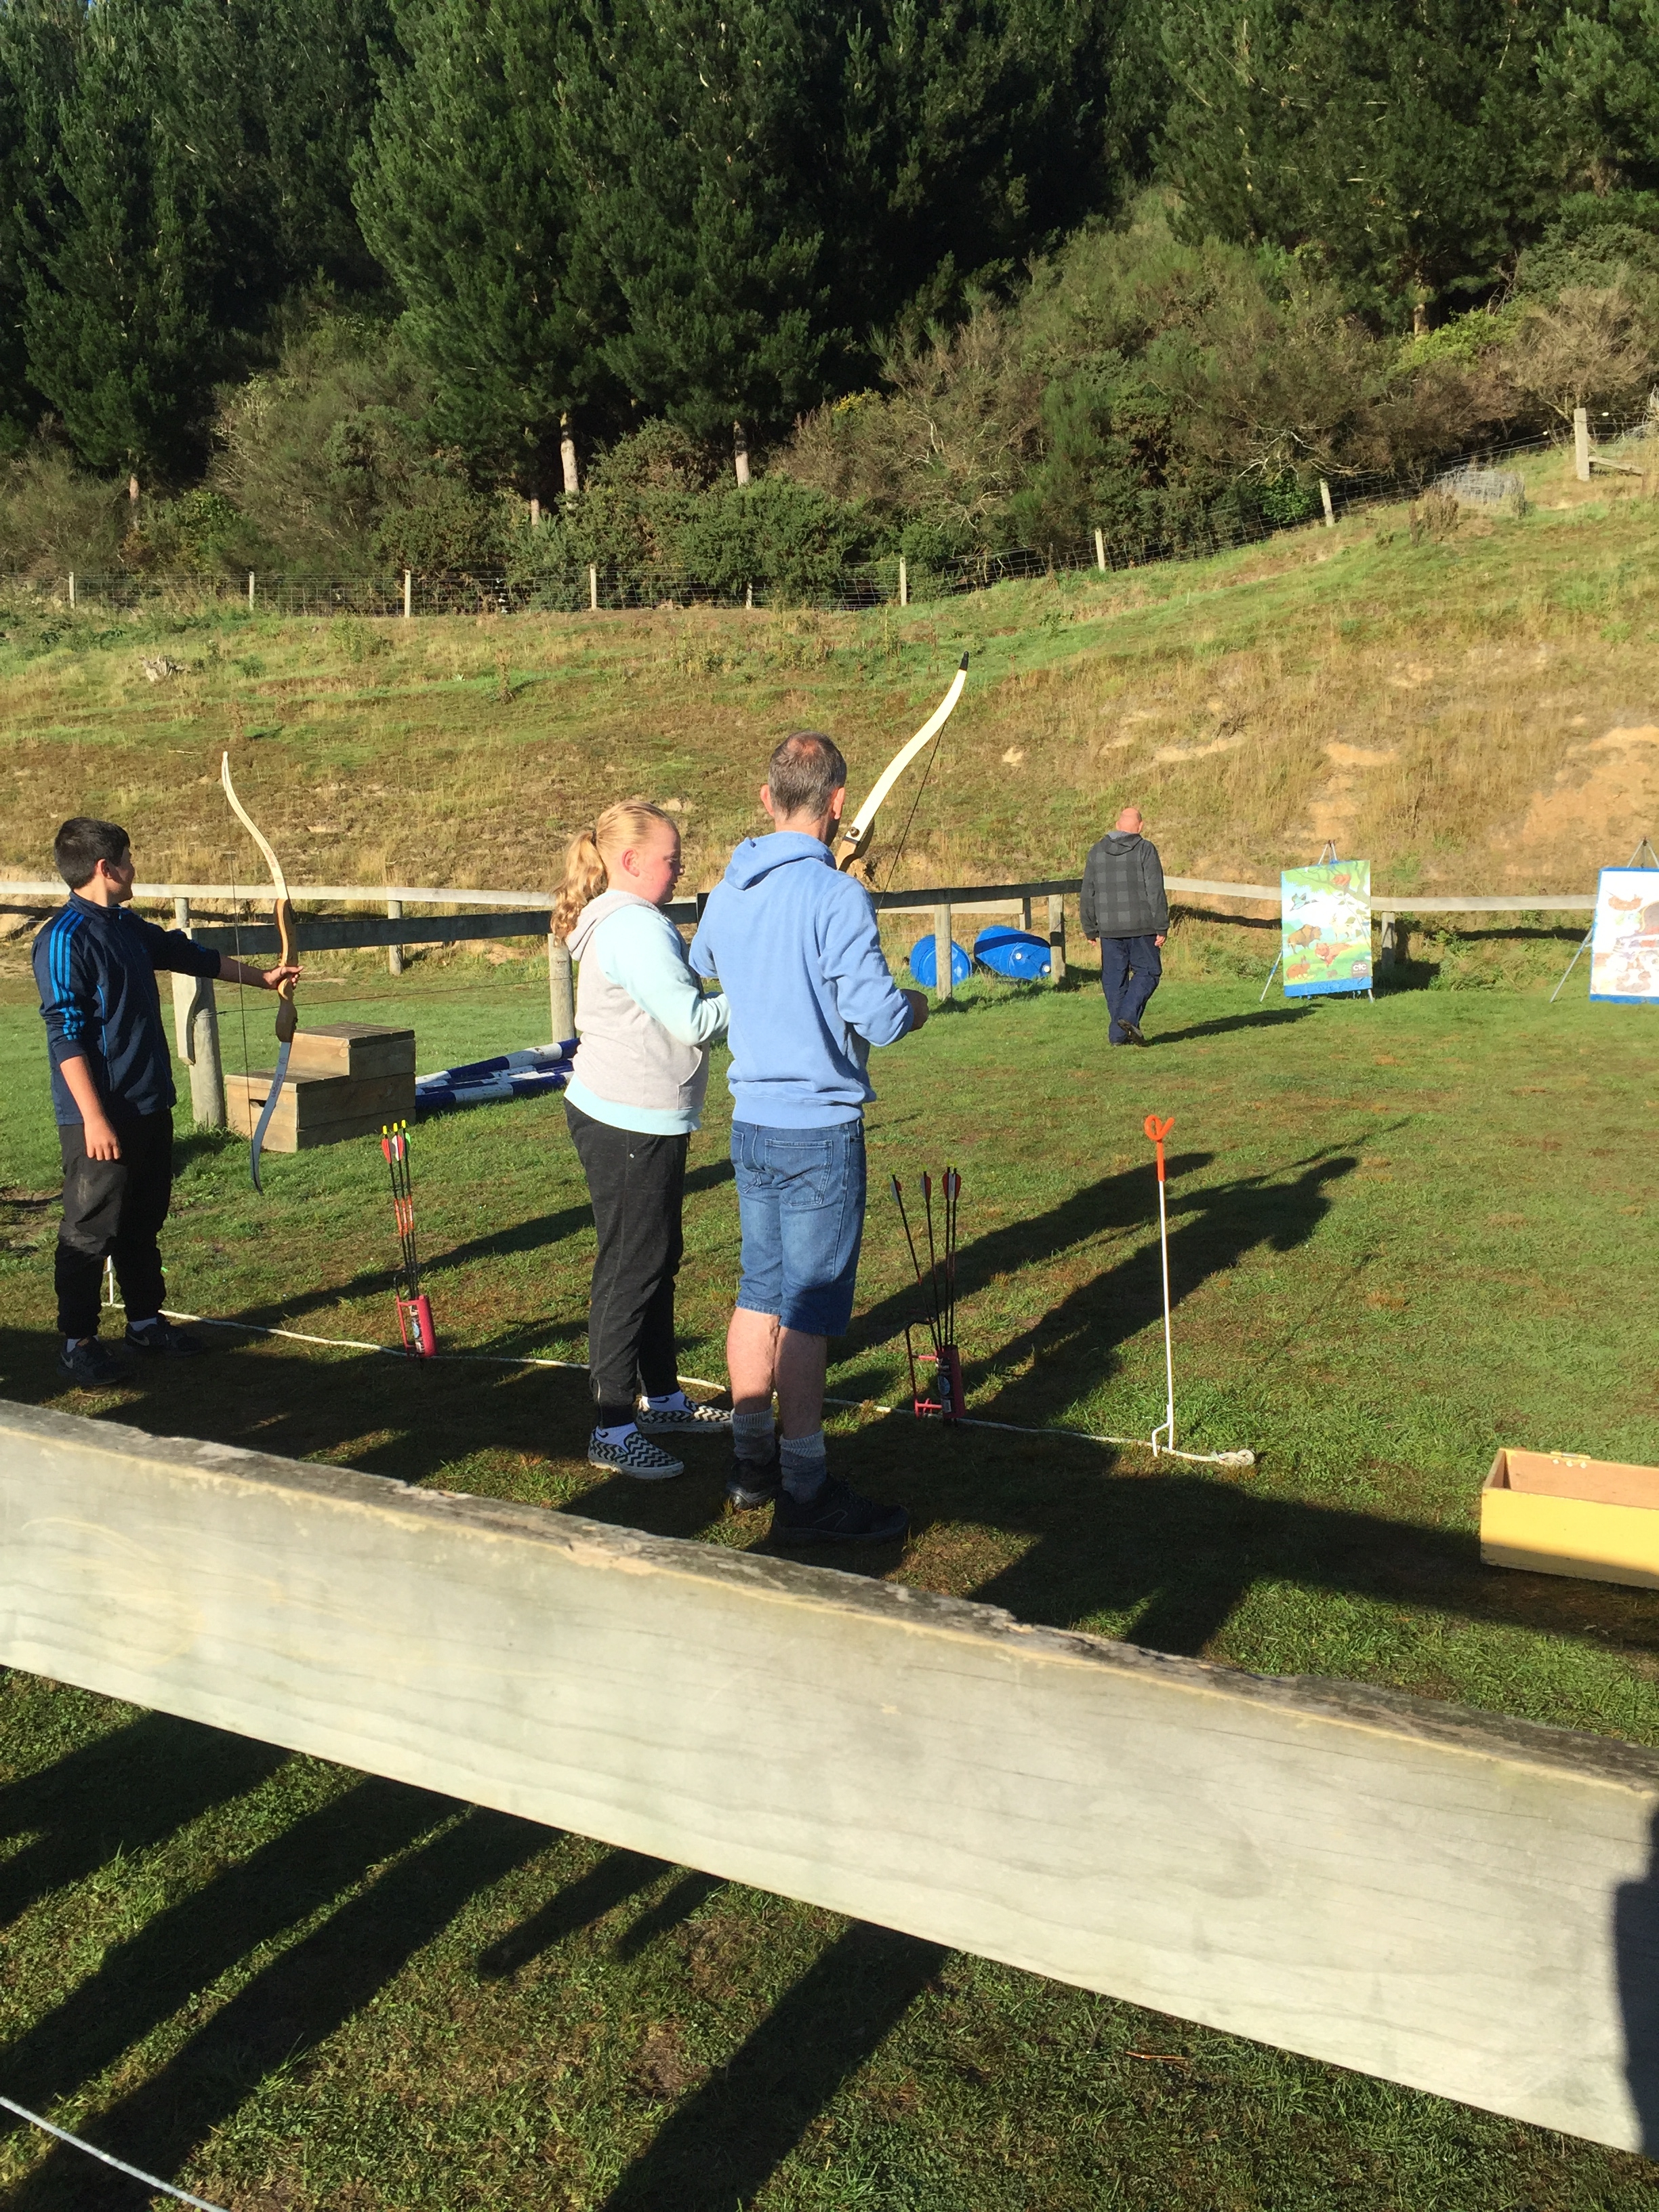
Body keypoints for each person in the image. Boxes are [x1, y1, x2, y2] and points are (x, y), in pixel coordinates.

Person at [689, 731, 927, 1544]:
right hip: (818, 1130)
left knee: (760, 1292)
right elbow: (881, 1019)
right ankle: (804, 1486)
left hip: (753, 1124)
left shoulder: (733, 887)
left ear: (767, 799)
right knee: (808, 1312)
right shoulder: (834, 896)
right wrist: (917, 1003)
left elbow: (707, 956)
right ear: (837, 803)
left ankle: (751, 1465)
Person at [33, 817, 300, 1387]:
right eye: (128, 860)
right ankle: (78, 1342)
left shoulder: (126, 926)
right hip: (98, 1115)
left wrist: (264, 978)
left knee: (142, 1220)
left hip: (148, 1101)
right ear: (105, 868)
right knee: (90, 1230)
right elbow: (65, 1034)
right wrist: (94, 1118)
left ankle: (144, 1323)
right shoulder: (63, 939)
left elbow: (189, 955)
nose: (134, 869)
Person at [557, 800, 732, 1480]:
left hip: (642, 1115)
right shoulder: (632, 928)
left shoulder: (635, 922)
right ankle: (612, 1427)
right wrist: (764, 993)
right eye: (670, 858)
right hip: (628, 1119)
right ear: (630, 862)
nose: (680, 867)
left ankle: (661, 1400)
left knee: (655, 1257)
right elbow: (693, 1021)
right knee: (631, 1266)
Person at [1080, 804, 1169, 1046]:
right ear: (1140, 827)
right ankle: (1128, 1018)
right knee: (1148, 972)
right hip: (1142, 927)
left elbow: (1088, 892)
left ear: (1117, 825)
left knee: (1114, 980)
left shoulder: (1097, 851)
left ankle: (1118, 1036)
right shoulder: (1145, 849)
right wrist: (1161, 926)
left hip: (1109, 929)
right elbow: (1155, 891)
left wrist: (1089, 927)